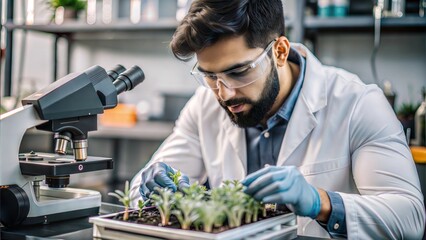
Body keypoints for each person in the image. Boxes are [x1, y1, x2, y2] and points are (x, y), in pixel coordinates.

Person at [129, 0, 425, 238]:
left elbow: (410, 219)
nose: (225, 92)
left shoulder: (358, 104)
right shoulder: (205, 105)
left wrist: (319, 201)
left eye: (239, 71)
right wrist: (150, 184)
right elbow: (140, 191)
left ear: (280, 51)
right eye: (209, 75)